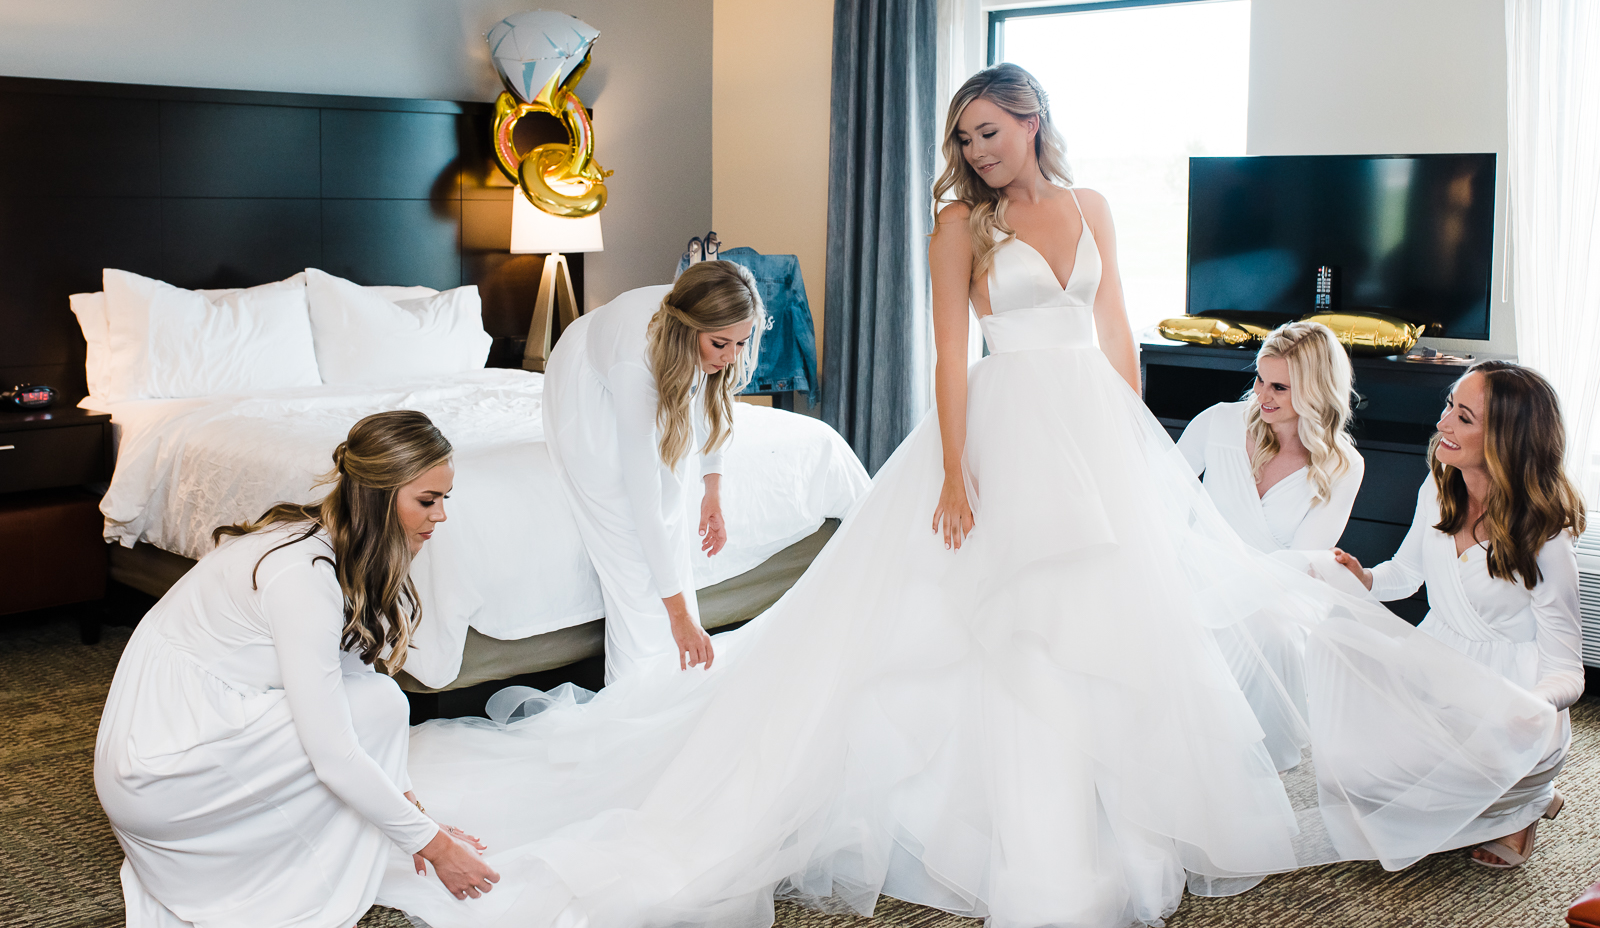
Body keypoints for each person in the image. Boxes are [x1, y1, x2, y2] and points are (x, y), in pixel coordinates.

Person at [376, 66, 1560, 928]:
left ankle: (1425, 770)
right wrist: (951, 472)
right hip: (997, 430)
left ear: (1032, 118)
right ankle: (1022, 837)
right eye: (964, 137)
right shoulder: (958, 224)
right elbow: (948, 358)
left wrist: (1134, 446)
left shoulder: (1089, 208)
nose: (977, 149)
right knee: (988, 629)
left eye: (989, 131)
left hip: (1091, 434)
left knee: (1121, 621)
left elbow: (1116, 340)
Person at [95, 410, 500, 927]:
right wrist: (437, 848)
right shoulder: (303, 575)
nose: (440, 516)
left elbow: (352, 683)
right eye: (427, 500)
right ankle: (254, 873)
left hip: (174, 745)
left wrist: (417, 821)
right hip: (160, 779)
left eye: (444, 499)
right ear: (377, 497)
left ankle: (283, 847)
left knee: (377, 700)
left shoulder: (325, 541)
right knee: (375, 707)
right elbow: (333, 751)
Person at [1330, 361, 1583, 869]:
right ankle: (1508, 799)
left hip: (1506, 696)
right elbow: (1406, 574)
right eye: (1450, 406)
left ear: (1505, 439)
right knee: (1358, 775)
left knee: (1443, 785)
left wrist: (1526, 705)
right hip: (1433, 667)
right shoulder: (1439, 487)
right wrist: (1366, 579)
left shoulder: (1546, 539)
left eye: (1463, 417)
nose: (1443, 423)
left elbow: (1567, 672)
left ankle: (1525, 801)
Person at [542, 260, 762, 683]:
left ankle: (676, 677)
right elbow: (641, 499)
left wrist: (711, 489)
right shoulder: (636, 364)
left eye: (741, 343)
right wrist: (678, 616)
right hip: (583, 377)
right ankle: (636, 694)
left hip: (642, 357)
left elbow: (707, 399)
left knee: (672, 498)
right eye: (722, 345)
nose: (732, 357)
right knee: (628, 527)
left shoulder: (717, 326)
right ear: (690, 332)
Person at [1178, 320, 1365, 560]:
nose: (1261, 395)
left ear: (1316, 391)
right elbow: (1159, 495)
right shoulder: (1218, 422)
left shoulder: (1343, 466)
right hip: (1193, 581)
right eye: (1260, 378)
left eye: (1279, 387)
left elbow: (1302, 564)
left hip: (1276, 591)